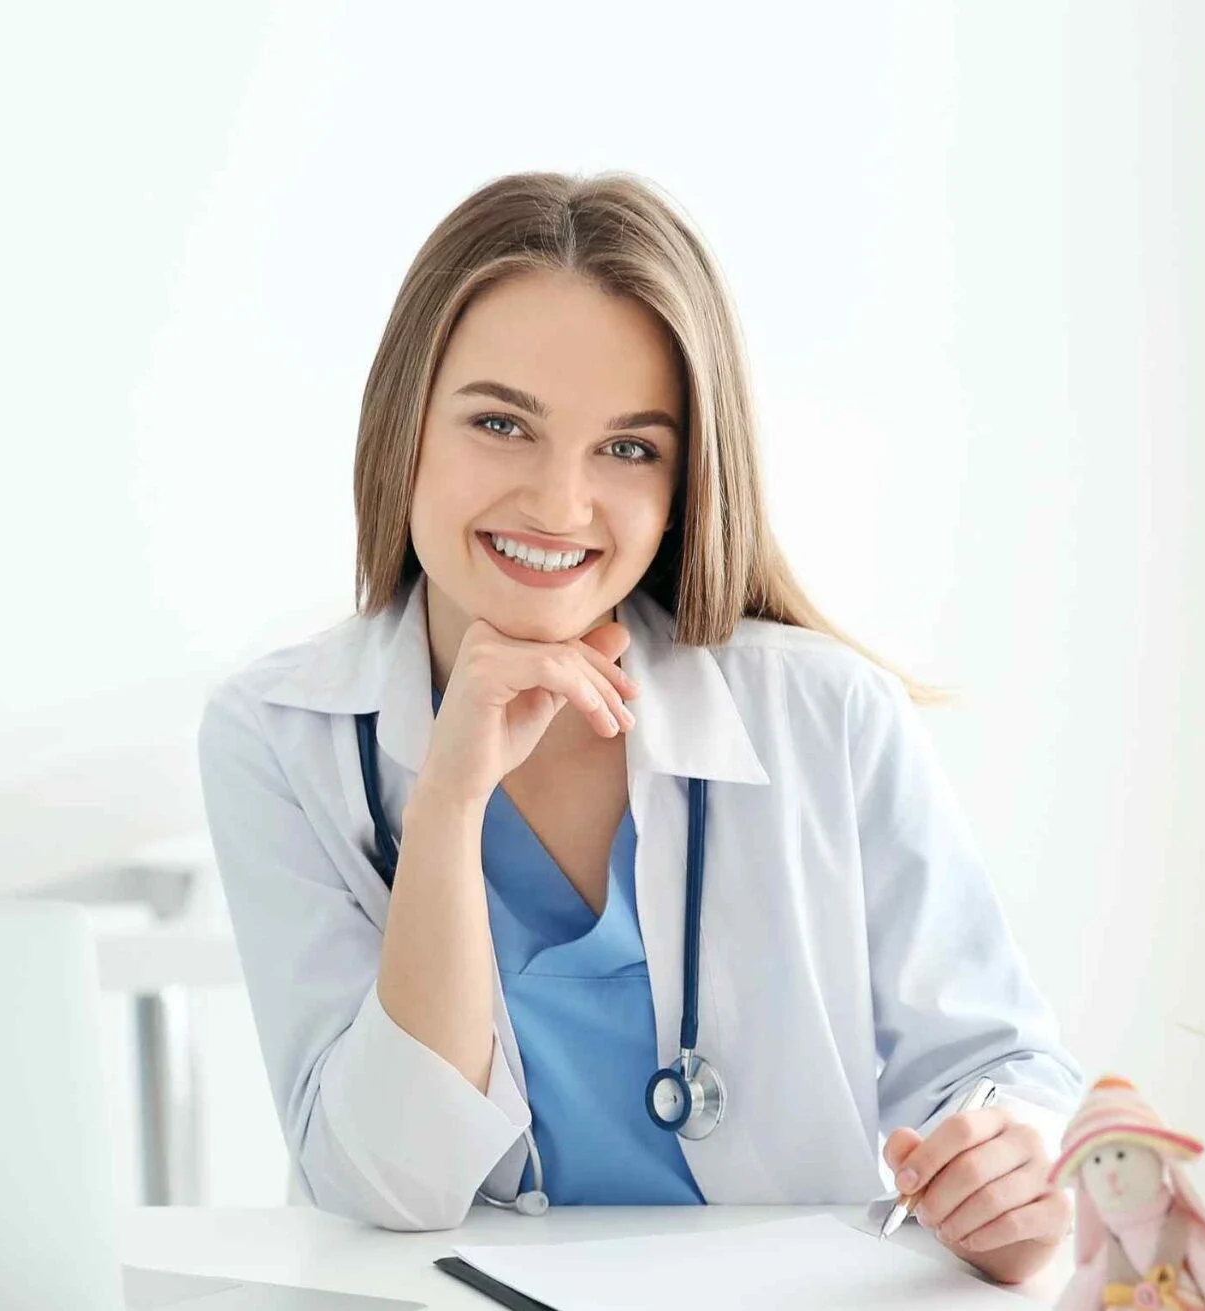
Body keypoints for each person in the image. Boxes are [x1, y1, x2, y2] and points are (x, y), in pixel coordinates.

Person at [198, 170, 1082, 1283]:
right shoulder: (277, 737)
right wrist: (449, 799)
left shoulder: (829, 717)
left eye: (628, 448)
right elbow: (391, 1184)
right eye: (499, 423)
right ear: (403, 428)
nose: (558, 504)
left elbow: (998, 1071)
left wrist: (1013, 1170)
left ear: (685, 480)